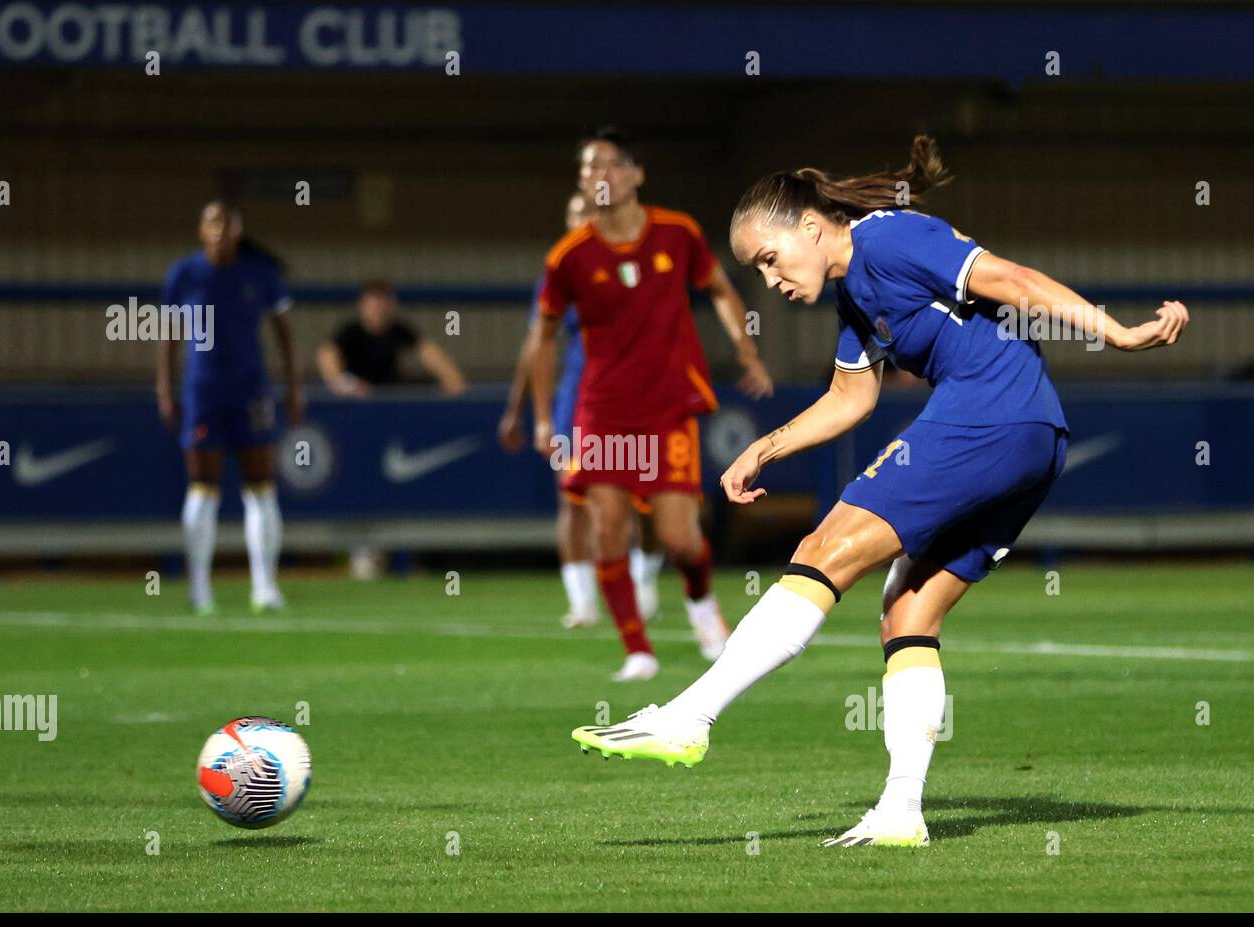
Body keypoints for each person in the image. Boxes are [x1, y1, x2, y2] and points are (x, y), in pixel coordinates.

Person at [571, 136, 1189, 847]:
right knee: (905, 614)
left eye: (769, 259)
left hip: (991, 414)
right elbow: (849, 397)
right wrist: (764, 448)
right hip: (1033, 435)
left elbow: (1015, 282)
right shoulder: (855, 293)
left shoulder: (890, 239)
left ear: (809, 225)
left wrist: (1115, 332)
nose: (768, 281)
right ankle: (902, 810)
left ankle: (691, 716)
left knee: (824, 546)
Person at [530, 128, 775, 681]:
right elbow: (541, 337)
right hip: (604, 411)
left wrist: (745, 348)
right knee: (608, 527)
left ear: (637, 173)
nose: (601, 176)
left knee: (678, 537)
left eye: (612, 165)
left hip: (667, 408)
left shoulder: (677, 233)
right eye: (590, 168)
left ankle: (703, 607)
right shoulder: (568, 257)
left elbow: (719, 289)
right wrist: (544, 416)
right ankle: (637, 649)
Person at [500, 192, 665, 628]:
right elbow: (537, 344)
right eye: (575, 215)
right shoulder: (558, 275)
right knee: (571, 498)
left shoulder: (632, 267)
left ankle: (644, 574)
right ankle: (582, 601)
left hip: (633, 399)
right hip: (575, 401)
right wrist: (522, 410)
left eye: (590, 213)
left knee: (638, 499)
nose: (583, 222)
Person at [156, 200, 303, 614]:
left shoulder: (259, 273)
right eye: (211, 222)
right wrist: (165, 390)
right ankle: (200, 590)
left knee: (261, 488)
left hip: (251, 393)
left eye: (226, 222)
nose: (219, 228)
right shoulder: (184, 274)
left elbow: (285, 336)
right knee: (203, 489)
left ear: (238, 229)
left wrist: (294, 388)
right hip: (202, 393)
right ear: (201, 230)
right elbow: (168, 336)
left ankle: (265, 586)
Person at [317, 281, 466, 397]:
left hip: (388, 396)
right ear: (363, 304)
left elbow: (429, 351)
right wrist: (347, 385)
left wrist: (451, 377)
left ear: (391, 304)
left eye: (383, 302)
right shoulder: (350, 332)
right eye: (373, 302)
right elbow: (327, 357)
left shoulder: (398, 330)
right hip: (356, 399)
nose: (378, 308)